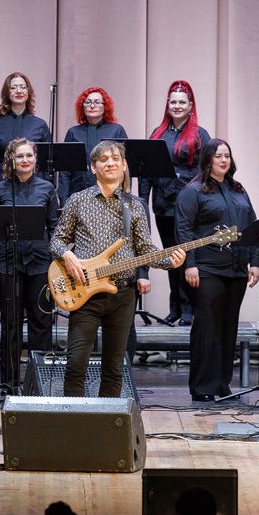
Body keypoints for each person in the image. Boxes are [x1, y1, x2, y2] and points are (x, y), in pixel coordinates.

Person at [50, 140, 185, 397]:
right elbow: (56, 239)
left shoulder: (134, 206)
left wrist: (170, 261)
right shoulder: (77, 201)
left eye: (116, 159)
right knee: (76, 364)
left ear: (124, 166)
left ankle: (105, 432)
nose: (110, 163)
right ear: (93, 167)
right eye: (104, 159)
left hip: (122, 294)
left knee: (114, 368)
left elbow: (146, 250)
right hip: (84, 292)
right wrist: (67, 254)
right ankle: (74, 428)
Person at [175, 139, 259, 401]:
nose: (224, 160)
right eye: (218, 156)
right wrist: (190, 265)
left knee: (228, 327)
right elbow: (184, 231)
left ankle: (222, 385)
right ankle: (203, 388)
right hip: (206, 268)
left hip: (236, 269)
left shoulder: (239, 190)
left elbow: (252, 226)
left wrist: (255, 261)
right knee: (207, 327)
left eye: (227, 156)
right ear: (208, 159)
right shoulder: (193, 191)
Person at [0, 139, 59, 389]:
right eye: (20, 156)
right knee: (11, 325)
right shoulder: (1, 188)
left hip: (40, 264)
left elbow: (54, 228)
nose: (25, 160)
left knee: (41, 323)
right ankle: (10, 384)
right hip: (8, 263)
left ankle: (41, 384)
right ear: (11, 160)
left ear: (36, 159)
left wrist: (56, 263)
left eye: (29, 155)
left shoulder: (47, 188)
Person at [139, 80, 210, 324]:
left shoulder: (200, 135)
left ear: (191, 106)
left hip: (188, 207)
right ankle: (176, 309)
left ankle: (190, 309)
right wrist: (142, 202)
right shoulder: (157, 134)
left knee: (188, 256)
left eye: (182, 102)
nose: (177, 106)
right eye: (173, 102)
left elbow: (206, 173)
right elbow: (146, 171)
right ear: (167, 105)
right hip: (163, 205)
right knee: (171, 258)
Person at [0, 72, 50, 204]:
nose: (19, 91)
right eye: (13, 87)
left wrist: (48, 191)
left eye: (23, 87)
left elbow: (48, 163)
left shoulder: (40, 125)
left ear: (29, 92)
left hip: (34, 190)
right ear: (7, 92)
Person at [57, 87, 129, 204]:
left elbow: (125, 166)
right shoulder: (73, 132)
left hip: (110, 196)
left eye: (97, 102)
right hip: (78, 194)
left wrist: (123, 193)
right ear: (82, 106)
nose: (92, 106)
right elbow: (65, 171)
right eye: (88, 102)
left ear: (105, 106)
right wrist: (64, 199)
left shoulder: (116, 130)